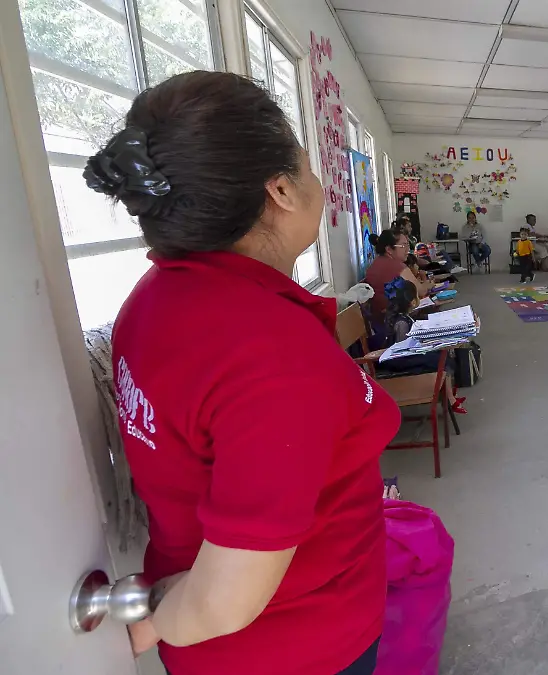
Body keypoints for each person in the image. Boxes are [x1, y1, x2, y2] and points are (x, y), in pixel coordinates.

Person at [93, 71, 393, 675]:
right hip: (298, 647)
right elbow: (224, 600)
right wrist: (151, 620)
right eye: (309, 172)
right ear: (280, 189)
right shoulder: (273, 355)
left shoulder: (157, 300)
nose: (320, 188)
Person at [366, 230, 430, 320]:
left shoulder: (373, 265)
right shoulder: (397, 266)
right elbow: (421, 291)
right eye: (403, 246)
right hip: (396, 321)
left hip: (380, 319)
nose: (407, 249)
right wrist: (428, 283)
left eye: (407, 245)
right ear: (389, 249)